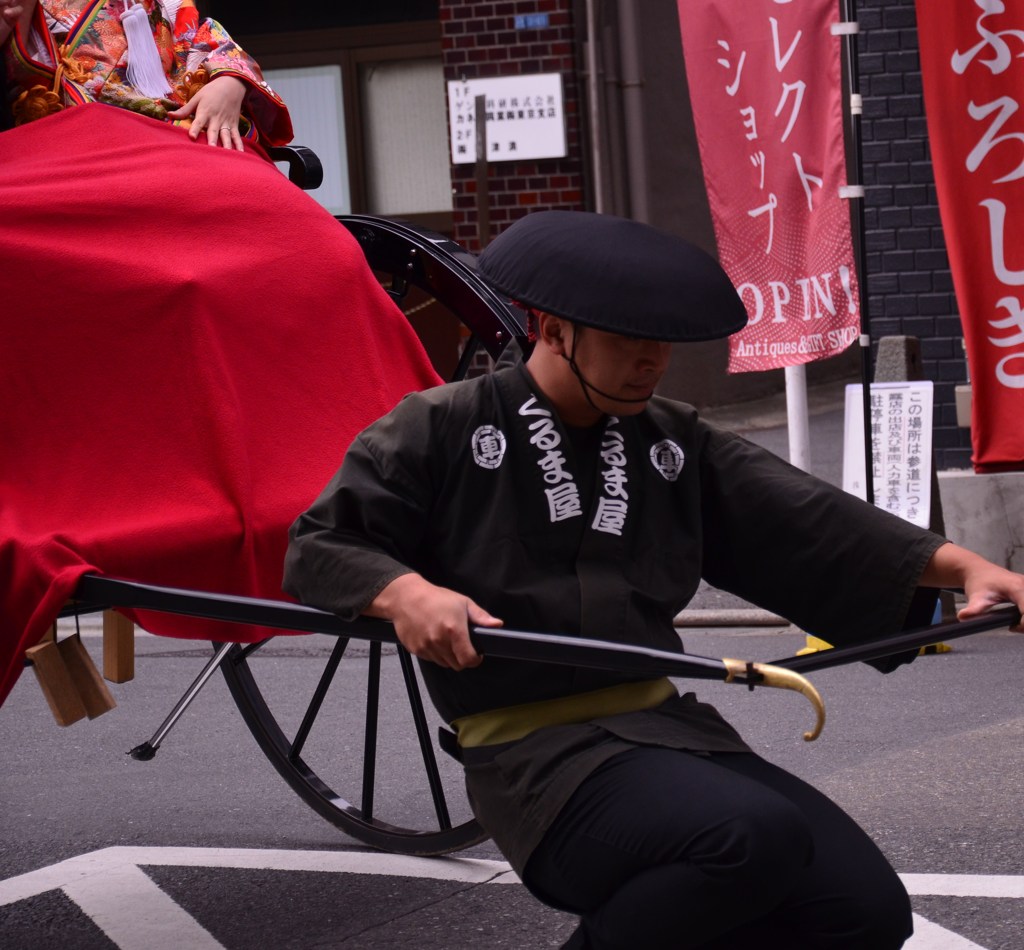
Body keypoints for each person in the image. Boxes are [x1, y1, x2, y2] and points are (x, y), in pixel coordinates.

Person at [283, 211, 1024, 949]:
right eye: (627, 341)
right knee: (748, 838)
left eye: (661, 343)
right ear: (553, 331)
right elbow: (323, 542)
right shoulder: (442, 424)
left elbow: (811, 520)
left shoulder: (670, 438)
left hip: (665, 728)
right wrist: (407, 593)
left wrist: (972, 569)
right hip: (533, 756)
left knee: (863, 908)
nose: (651, 362)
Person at [1, 0, 290, 148]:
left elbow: (202, 41)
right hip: (77, 142)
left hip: (173, 132)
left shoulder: (167, 5)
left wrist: (230, 81)